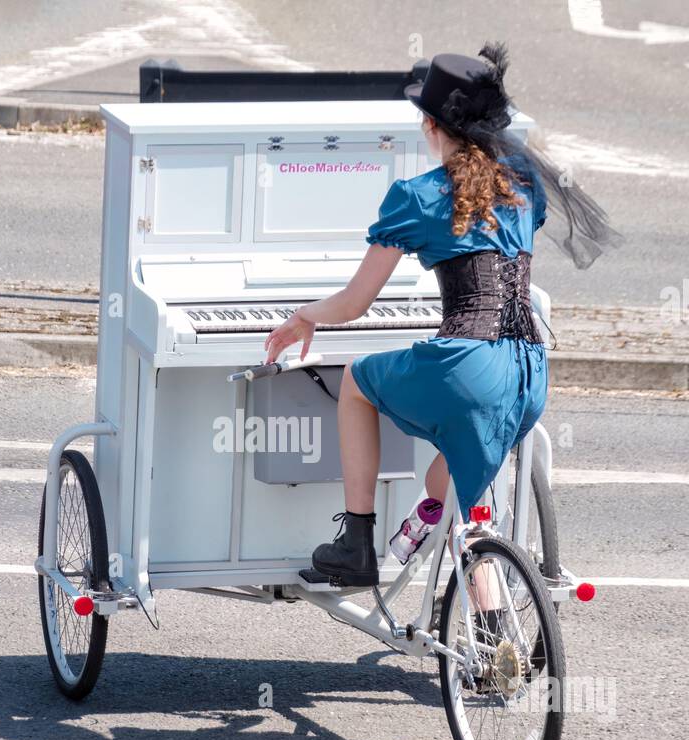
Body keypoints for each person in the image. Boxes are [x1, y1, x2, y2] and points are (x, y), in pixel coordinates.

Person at [263, 43, 620, 587]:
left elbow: (356, 302)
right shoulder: (523, 184)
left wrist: (304, 315)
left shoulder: (418, 197)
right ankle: (475, 606)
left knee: (358, 381)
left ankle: (357, 541)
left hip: (469, 363)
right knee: (451, 479)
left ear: (430, 124)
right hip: (527, 371)